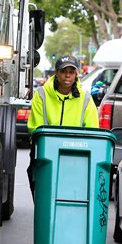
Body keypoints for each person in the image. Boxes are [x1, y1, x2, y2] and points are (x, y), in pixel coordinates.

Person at [26, 55, 99, 198]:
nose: (67, 75)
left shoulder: (85, 98)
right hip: (46, 154)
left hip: (76, 156)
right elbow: (34, 128)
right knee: (41, 192)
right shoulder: (41, 95)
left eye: (71, 71)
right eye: (63, 71)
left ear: (76, 74)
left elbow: (92, 129)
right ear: (56, 72)